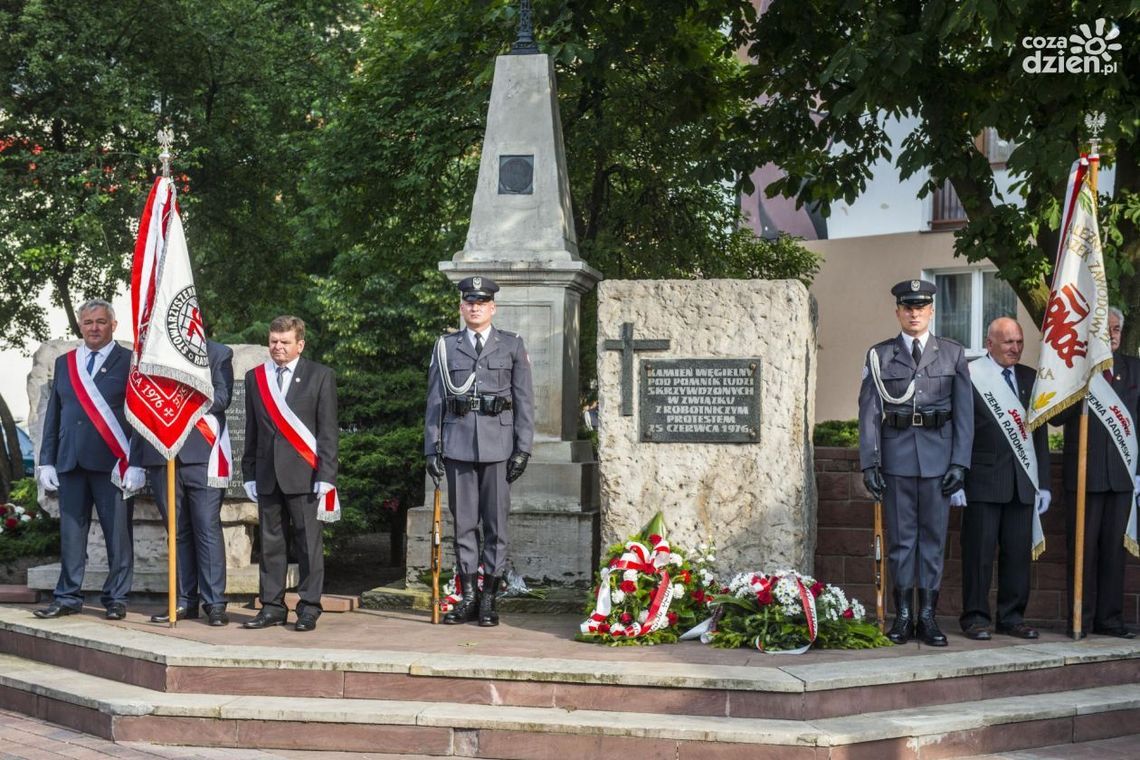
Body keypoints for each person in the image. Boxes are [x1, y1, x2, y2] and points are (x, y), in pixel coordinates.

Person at [858, 279, 973, 646]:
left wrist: (960, 463)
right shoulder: (880, 355)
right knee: (902, 543)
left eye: (920, 307)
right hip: (896, 459)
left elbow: (964, 414)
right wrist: (870, 463)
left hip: (939, 460)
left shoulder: (952, 354)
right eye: (908, 307)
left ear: (931, 311)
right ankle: (903, 615)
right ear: (898, 312)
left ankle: (928, 616)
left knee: (933, 541)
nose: (914, 313)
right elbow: (869, 412)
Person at [424, 276, 534, 626]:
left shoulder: (511, 345)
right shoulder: (446, 346)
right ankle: (469, 596)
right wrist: (432, 447)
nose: (475, 307)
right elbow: (435, 401)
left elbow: (523, 401)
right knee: (465, 524)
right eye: (469, 302)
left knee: (496, 525)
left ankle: (489, 598)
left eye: (481, 303)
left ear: (492, 308)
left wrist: (523, 449)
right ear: (461, 307)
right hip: (457, 446)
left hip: (499, 447)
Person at [34, 299, 145, 620]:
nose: (94, 327)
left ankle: (117, 599)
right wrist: (46, 461)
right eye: (88, 322)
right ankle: (67, 597)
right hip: (70, 463)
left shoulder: (129, 362)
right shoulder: (65, 362)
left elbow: (140, 416)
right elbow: (55, 414)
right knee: (71, 535)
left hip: (113, 464)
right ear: (80, 326)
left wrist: (136, 462)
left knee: (118, 536)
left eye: (100, 322)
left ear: (113, 325)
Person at [241, 316, 338, 632]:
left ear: (300, 344)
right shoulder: (256, 377)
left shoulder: (320, 376)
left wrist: (326, 475)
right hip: (268, 475)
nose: (277, 347)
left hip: (306, 474)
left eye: (284, 342)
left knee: (308, 543)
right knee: (271, 545)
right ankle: (271, 606)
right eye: (273, 341)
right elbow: (251, 430)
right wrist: (249, 473)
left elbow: (327, 432)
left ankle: (308, 607)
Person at [955, 317, 1050, 641]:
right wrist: (958, 478)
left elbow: (1038, 435)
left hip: (1022, 484)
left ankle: (1012, 617)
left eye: (1020, 342)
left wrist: (1045, 483)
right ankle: (976, 618)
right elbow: (961, 431)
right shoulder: (971, 376)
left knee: (1018, 556)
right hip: (982, 482)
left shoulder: (1029, 378)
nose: (1016, 348)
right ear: (989, 343)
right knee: (978, 556)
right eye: (1009, 342)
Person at [131, 339, 234, 626]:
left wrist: (180, 394)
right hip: (161, 455)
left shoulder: (217, 353)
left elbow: (223, 398)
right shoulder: (150, 353)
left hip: (201, 455)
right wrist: (135, 459)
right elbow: (140, 406)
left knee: (206, 528)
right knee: (176, 532)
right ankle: (183, 601)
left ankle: (214, 603)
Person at [1058, 306, 1137, 638]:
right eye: (1108, 329)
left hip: (1121, 478)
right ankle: (1081, 619)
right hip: (1085, 479)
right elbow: (1055, 416)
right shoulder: (1076, 370)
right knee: (1083, 553)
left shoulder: (1134, 369)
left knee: (1113, 554)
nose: (1114, 335)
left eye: (1117, 329)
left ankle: (1110, 619)